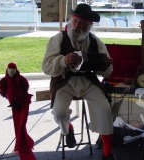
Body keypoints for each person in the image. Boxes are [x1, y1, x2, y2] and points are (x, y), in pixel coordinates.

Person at [41, 3, 116, 160]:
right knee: (60, 114)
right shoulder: (58, 39)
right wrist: (63, 61)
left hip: (88, 81)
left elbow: (107, 72)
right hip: (64, 81)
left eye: (82, 22)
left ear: (89, 26)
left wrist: (105, 65)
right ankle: (68, 128)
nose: (77, 25)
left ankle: (107, 152)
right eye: (75, 20)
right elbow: (46, 67)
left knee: (105, 109)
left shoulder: (96, 42)